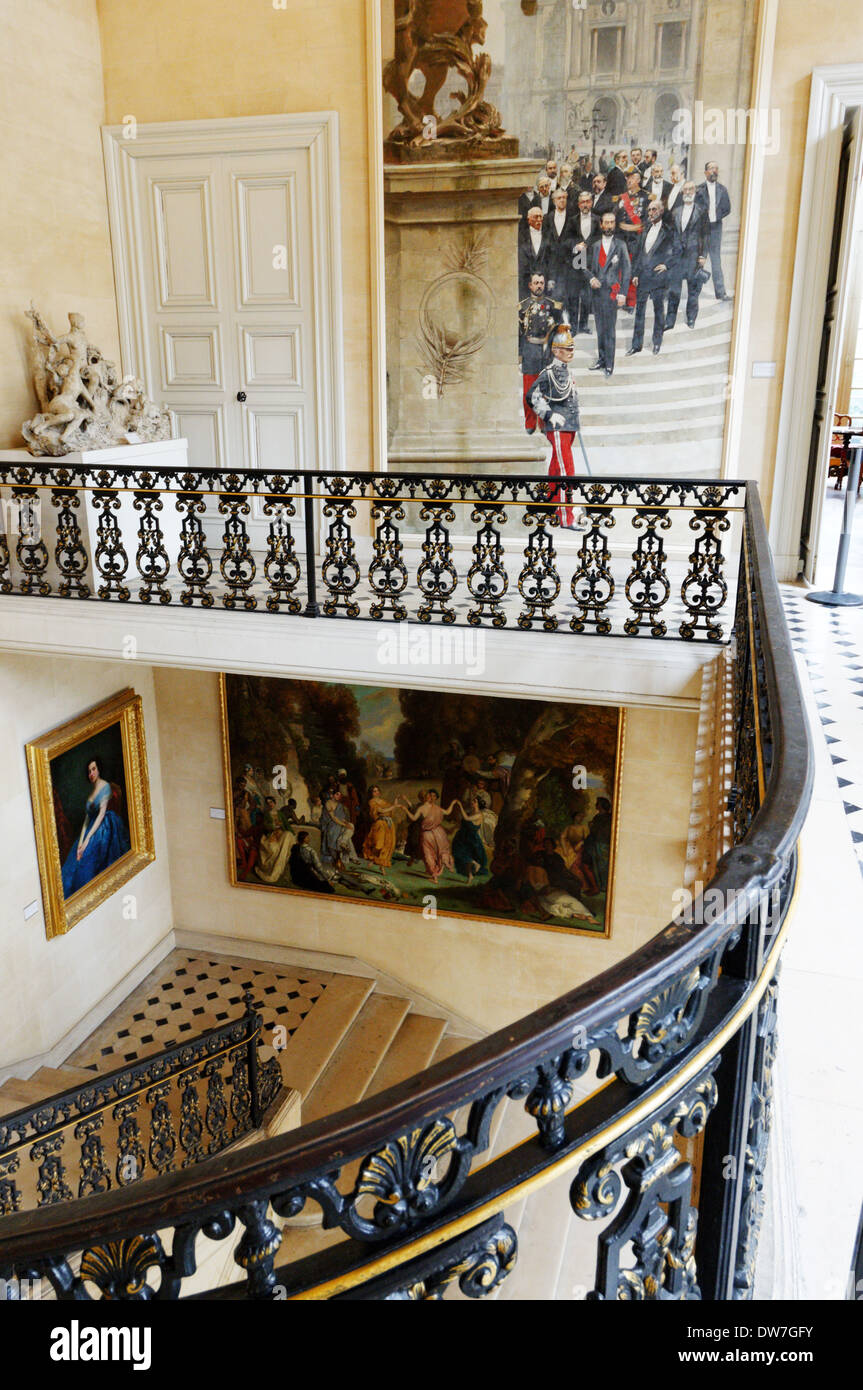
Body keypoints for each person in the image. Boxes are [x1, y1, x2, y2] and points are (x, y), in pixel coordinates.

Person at [528, 324, 582, 527]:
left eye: (572, 348)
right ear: (556, 351)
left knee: (555, 467)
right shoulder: (548, 373)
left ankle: (550, 507)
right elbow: (532, 396)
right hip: (558, 428)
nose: (571, 352)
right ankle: (566, 517)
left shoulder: (566, 372)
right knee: (566, 471)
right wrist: (549, 414)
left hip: (569, 427)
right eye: (567, 348)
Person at [61, 756, 130, 897]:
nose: (91, 773)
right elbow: (87, 819)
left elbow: (100, 815)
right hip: (92, 826)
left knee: (87, 857)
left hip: (104, 826)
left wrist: (87, 842)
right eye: (89, 771)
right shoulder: (91, 793)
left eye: (93, 769)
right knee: (75, 858)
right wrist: (80, 842)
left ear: (99, 770)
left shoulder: (105, 786)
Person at [587, 211, 632, 377]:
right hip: (597, 293)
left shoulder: (620, 245)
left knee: (609, 329)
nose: (608, 226)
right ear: (601, 225)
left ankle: (609, 364)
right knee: (600, 328)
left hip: (612, 293)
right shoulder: (595, 245)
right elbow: (584, 267)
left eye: (612, 222)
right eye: (606, 223)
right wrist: (591, 278)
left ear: (615, 224)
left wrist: (623, 293)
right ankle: (601, 358)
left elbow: (627, 271)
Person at [627, 200, 673, 356]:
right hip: (643, 277)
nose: (650, 213)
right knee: (639, 311)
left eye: (653, 210)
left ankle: (657, 343)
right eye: (649, 210)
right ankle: (636, 345)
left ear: (660, 211)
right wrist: (635, 273)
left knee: (659, 310)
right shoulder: (645, 229)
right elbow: (639, 254)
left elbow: (678, 250)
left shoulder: (668, 231)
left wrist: (667, 265)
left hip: (659, 277)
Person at [518, 272, 561, 433]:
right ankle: (530, 423)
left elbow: (558, 331)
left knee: (545, 389)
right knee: (529, 389)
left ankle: (544, 423)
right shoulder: (522, 307)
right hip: (529, 350)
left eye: (541, 283)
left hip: (546, 351)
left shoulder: (553, 306)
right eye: (536, 283)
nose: (539, 286)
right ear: (530, 285)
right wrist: (519, 354)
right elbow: (519, 332)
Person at [666, 181, 708, 329]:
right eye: (685, 190)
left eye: (691, 189)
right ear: (682, 193)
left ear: (695, 192)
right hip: (677, 256)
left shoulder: (701, 211)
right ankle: (669, 321)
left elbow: (705, 235)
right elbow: (671, 234)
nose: (688, 192)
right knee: (674, 290)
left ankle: (691, 318)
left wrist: (703, 255)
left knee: (693, 290)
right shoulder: (676, 211)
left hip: (693, 255)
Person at [401, 789, 459, 883]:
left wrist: (405, 810)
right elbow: (447, 812)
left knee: (432, 854)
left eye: (433, 796)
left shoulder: (430, 808)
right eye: (430, 796)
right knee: (433, 854)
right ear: (428, 797)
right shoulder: (429, 808)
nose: (431, 798)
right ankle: (437, 872)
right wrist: (452, 804)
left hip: (432, 834)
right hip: (434, 834)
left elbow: (413, 818)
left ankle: (434, 875)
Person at [695, 162, 731, 300]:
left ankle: (721, 293)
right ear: (705, 172)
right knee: (699, 259)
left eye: (716, 168)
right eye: (711, 169)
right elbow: (695, 208)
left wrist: (716, 215)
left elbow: (727, 208)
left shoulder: (722, 189)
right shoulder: (698, 190)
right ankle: (695, 291)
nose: (714, 171)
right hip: (702, 229)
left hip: (716, 228)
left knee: (716, 260)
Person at [542, 188, 575, 310]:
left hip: (569, 264)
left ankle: (570, 327)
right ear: (554, 200)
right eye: (559, 198)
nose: (562, 200)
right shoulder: (547, 218)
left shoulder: (573, 217)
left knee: (570, 298)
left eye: (564, 198)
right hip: (553, 264)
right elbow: (545, 242)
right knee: (555, 298)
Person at [571, 191, 599, 334]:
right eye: (582, 202)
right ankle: (574, 327)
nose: (585, 204)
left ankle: (583, 325)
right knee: (575, 296)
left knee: (587, 296)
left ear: (592, 203)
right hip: (577, 261)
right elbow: (567, 240)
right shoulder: (572, 220)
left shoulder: (597, 220)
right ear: (578, 204)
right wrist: (576, 246)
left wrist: (586, 244)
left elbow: (599, 237)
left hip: (591, 261)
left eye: (588, 201)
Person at [254, 796, 296, 885]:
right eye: (268, 803)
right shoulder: (266, 814)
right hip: (271, 835)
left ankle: (280, 869)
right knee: (274, 849)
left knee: (288, 835)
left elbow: (286, 824)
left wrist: (293, 833)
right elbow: (265, 826)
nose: (270, 804)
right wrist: (273, 827)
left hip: (281, 833)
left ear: (274, 803)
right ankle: (271, 871)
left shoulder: (280, 813)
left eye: (271, 802)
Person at [362, 785, 400, 869]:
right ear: (371, 793)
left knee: (388, 844)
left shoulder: (383, 801)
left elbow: (391, 809)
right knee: (378, 844)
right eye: (374, 791)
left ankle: (381, 864)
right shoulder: (371, 802)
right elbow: (381, 811)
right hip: (380, 824)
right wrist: (392, 807)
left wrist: (395, 801)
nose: (376, 792)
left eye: (377, 790)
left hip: (388, 824)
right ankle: (373, 860)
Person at [451, 795, 488, 884]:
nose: (472, 802)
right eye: (472, 801)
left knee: (465, 855)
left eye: (474, 801)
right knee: (460, 856)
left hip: (471, 839)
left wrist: (460, 806)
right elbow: (463, 822)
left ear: (478, 804)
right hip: (462, 837)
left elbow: (466, 819)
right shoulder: (470, 812)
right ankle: (470, 876)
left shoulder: (479, 815)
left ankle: (476, 864)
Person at [518, 206, 550, 295]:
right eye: (536, 217)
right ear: (529, 219)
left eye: (541, 217)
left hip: (544, 281)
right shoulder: (521, 236)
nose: (539, 220)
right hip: (526, 281)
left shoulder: (548, 235)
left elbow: (552, 258)